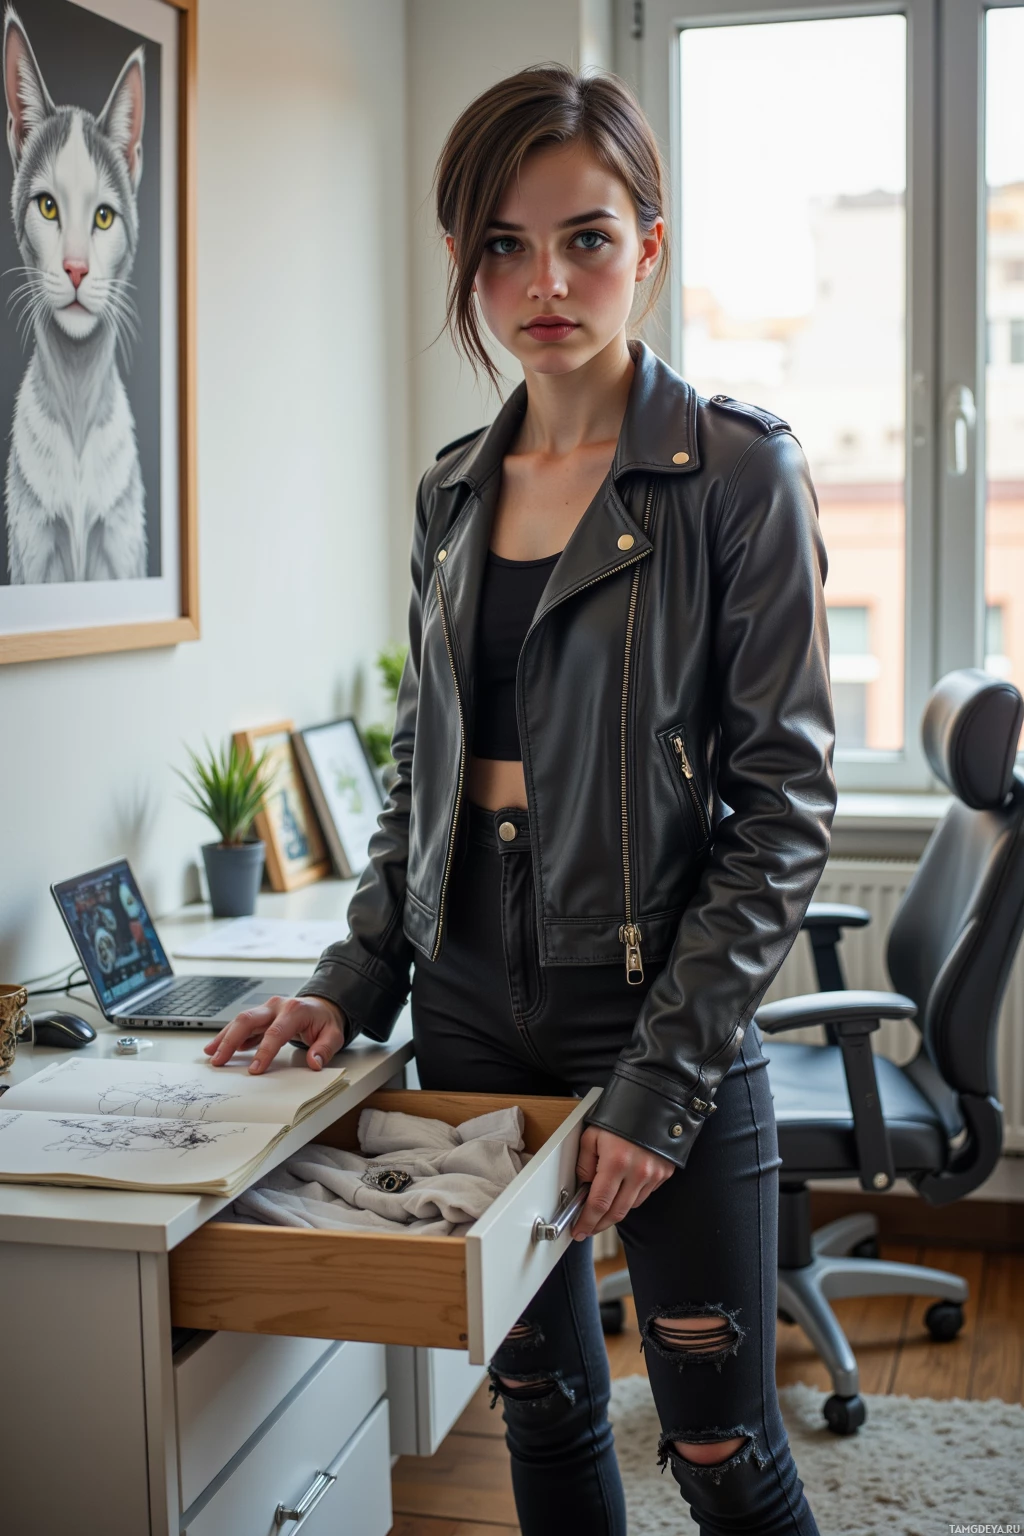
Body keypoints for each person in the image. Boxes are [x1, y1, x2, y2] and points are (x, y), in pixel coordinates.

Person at [206, 63, 836, 1536]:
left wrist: (663, 1084)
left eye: (586, 238)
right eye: (504, 244)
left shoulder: (737, 473)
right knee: (542, 1413)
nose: (545, 283)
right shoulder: (450, 495)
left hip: (659, 1008)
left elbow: (783, 810)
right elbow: (422, 774)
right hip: (472, 1008)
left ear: (649, 246)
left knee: (721, 1449)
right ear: (461, 259)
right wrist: (352, 980)